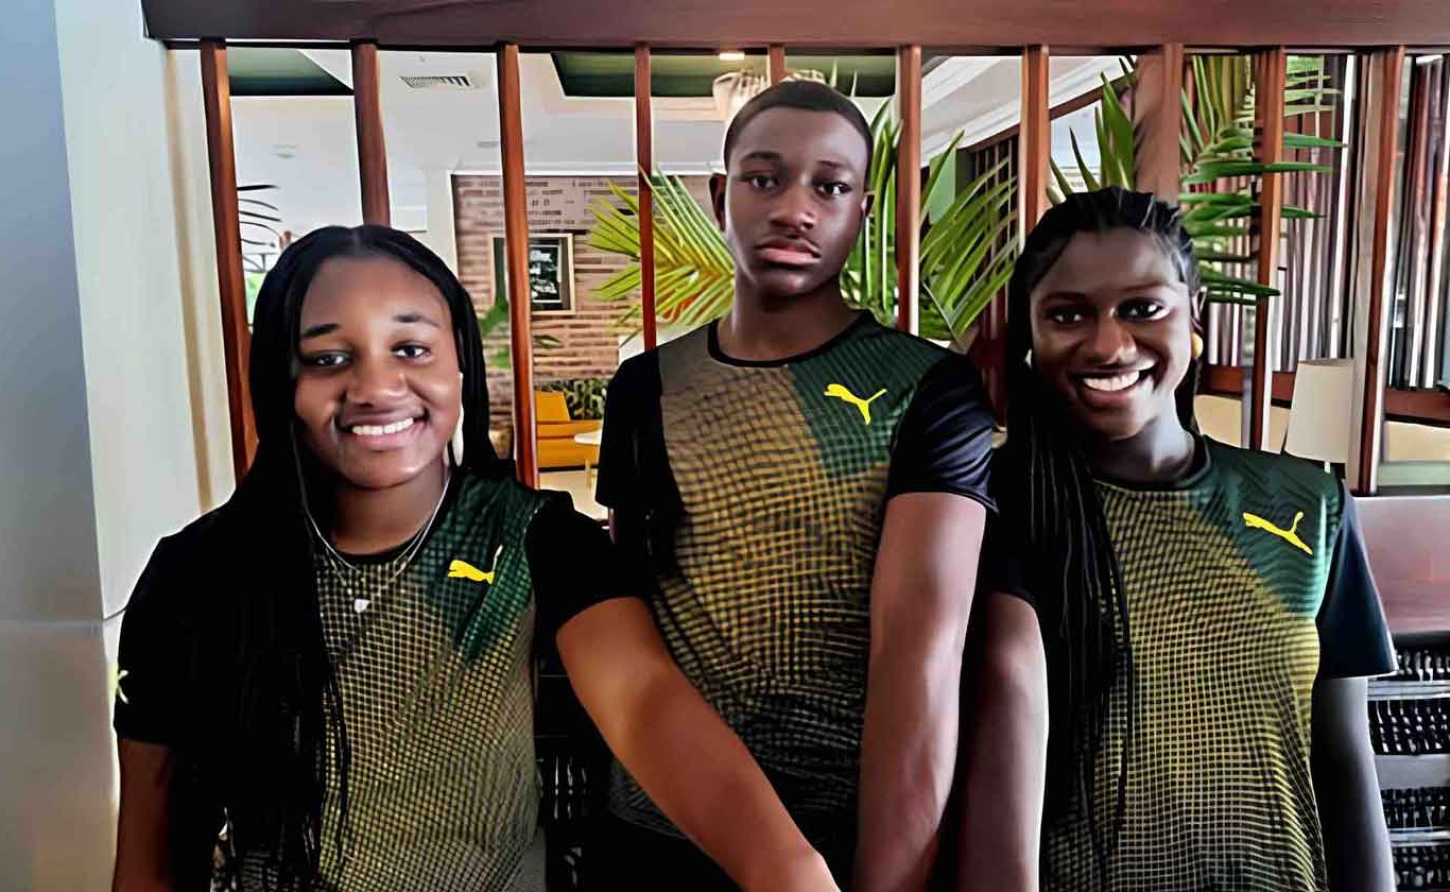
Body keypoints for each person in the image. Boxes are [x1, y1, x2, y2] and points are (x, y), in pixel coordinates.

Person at [112, 225, 840, 891]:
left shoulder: (537, 541)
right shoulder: (197, 575)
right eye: (329, 357)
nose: (375, 388)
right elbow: (148, 851)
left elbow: (644, 698)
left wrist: (784, 863)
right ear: (282, 381)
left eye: (410, 349)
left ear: (459, 360)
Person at [594, 80, 996, 890]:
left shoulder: (928, 388)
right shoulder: (645, 387)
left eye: (830, 186)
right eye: (764, 179)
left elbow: (920, 652)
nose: (795, 210)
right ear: (721, 194)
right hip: (661, 825)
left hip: (845, 833)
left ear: (864, 210)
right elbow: (630, 611)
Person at [956, 187, 1396, 891]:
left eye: (1141, 308)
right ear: (1031, 338)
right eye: (1068, 314)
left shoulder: (1310, 506)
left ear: (1193, 315)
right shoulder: (990, 507)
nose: (1108, 343)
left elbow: (1345, 758)